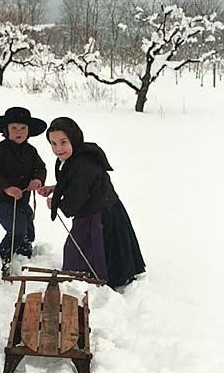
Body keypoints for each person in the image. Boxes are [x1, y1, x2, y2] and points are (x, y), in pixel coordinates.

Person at [38, 117, 145, 289]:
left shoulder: (83, 164)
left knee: (85, 252)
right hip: (96, 210)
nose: (58, 148)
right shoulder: (77, 157)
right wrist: (56, 188)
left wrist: (56, 203)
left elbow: (75, 199)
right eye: (53, 143)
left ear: (73, 138)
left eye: (63, 142)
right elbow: (76, 184)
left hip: (100, 216)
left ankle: (94, 281)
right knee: (82, 250)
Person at [0, 107, 47, 276]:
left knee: (28, 229)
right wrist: (7, 188)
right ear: (6, 130)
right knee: (17, 229)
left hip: (22, 200)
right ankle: (3, 255)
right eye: (14, 128)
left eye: (23, 128)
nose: (19, 132)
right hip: (1, 201)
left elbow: (40, 168)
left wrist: (37, 180)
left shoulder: (31, 151)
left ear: (29, 132)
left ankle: (24, 253)